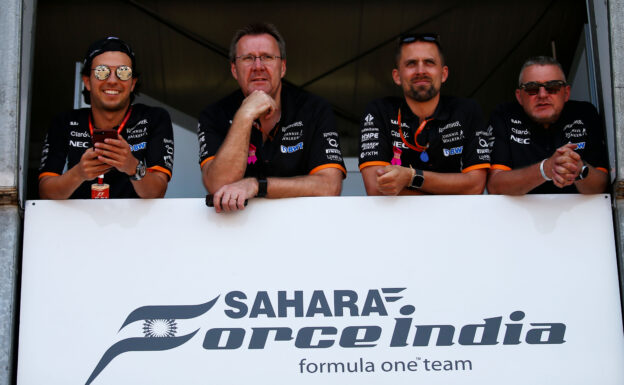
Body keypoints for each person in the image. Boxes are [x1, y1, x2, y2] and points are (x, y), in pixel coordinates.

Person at [198, 23, 346, 212]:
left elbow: (330, 186)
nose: (258, 67)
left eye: (267, 57)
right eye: (248, 58)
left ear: (282, 67)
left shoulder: (315, 109)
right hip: (236, 232)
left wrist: (257, 186)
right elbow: (218, 185)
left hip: (303, 228)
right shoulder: (214, 114)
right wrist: (244, 115)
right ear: (234, 70)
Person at [39, 37, 174, 199]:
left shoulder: (154, 118)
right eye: (102, 72)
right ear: (87, 81)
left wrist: (132, 166)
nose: (112, 80)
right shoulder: (64, 122)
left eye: (123, 72)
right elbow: (45, 193)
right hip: (75, 222)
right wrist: (79, 173)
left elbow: (157, 192)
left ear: (132, 83)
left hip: (135, 223)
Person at [358, 33, 490, 195]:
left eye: (429, 62)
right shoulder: (379, 111)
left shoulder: (467, 110)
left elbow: (475, 186)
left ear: (444, 73)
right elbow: (377, 188)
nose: (420, 71)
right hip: (399, 220)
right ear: (397, 76)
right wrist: (449, 191)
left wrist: (411, 177)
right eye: (411, 63)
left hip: (457, 220)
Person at [487, 56, 608, 194]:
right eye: (532, 88)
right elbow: (495, 186)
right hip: (518, 214)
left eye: (553, 87)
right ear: (519, 96)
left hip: (581, 213)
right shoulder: (505, 115)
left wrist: (577, 169)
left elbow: (602, 186)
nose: (542, 94)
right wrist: (546, 169)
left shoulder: (585, 113)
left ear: (566, 93)